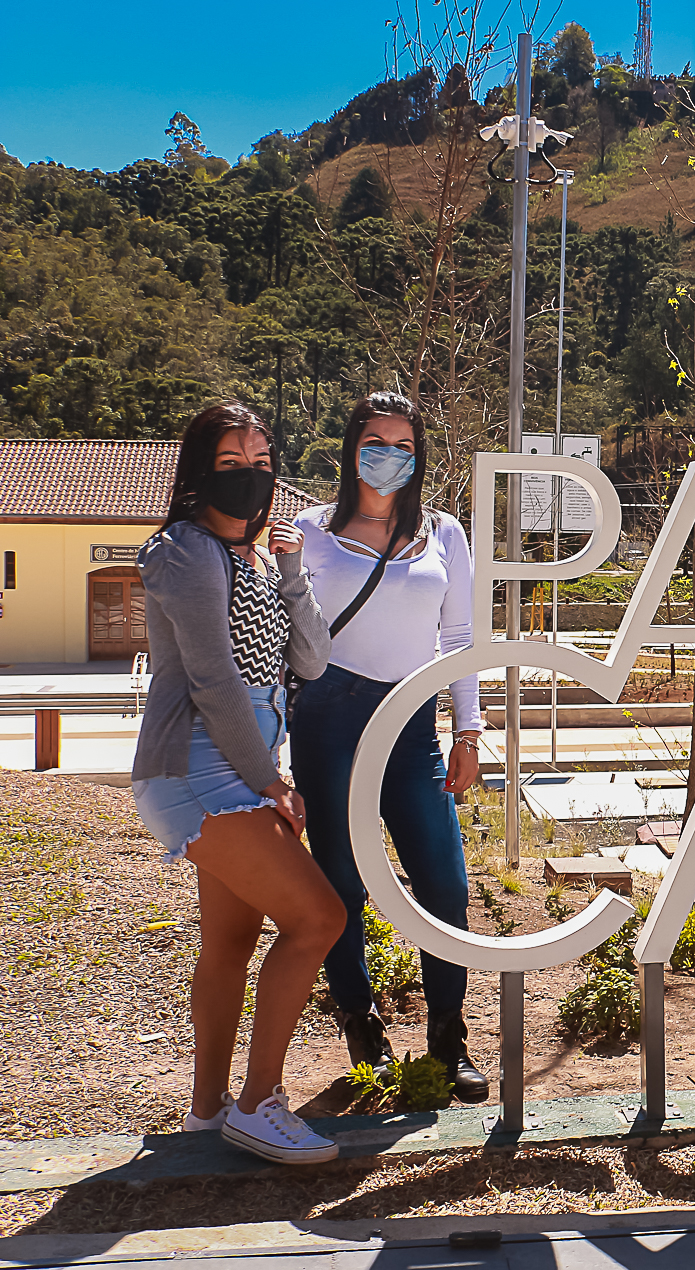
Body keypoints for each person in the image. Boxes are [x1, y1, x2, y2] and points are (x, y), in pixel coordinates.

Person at [131, 402, 344, 1164]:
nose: (250, 474)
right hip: (196, 765)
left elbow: (312, 661)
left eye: (261, 462)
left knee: (229, 941)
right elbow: (215, 681)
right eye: (231, 462)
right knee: (319, 918)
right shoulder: (182, 551)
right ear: (197, 472)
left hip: (243, 760)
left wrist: (292, 570)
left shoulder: (257, 558)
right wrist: (272, 782)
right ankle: (259, 1104)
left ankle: (206, 1109)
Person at [291, 393, 489, 1104]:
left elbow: (460, 637)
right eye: (376, 441)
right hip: (327, 718)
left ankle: (448, 1040)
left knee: (444, 884)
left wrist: (469, 729)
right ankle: (362, 1025)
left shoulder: (443, 533)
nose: (390, 455)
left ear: (419, 456)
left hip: (412, 723)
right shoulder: (308, 531)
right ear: (350, 448)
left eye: (405, 445)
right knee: (340, 884)